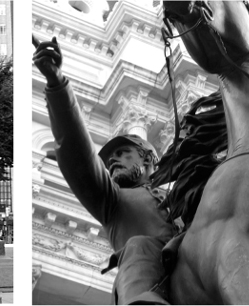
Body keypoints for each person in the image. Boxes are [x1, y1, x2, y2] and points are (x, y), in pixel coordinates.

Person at [33, 37, 174, 304]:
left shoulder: (177, 197)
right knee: (138, 245)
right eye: (110, 159)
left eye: (122, 153)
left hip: (191, 266)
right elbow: (79, 155)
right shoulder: (112, 200)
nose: (113, 161)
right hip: (147, 280)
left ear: (147, 160)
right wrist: (57, 84)